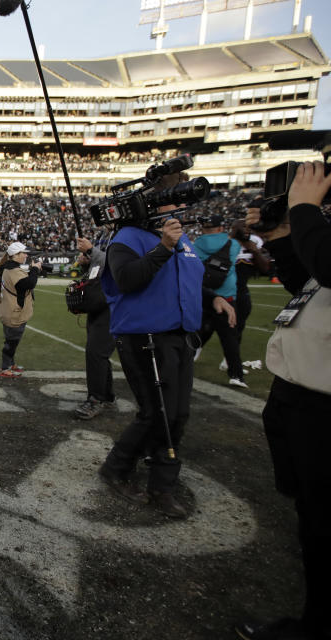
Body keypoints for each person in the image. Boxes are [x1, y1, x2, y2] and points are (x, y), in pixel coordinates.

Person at [98, 171, 236, 519]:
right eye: (173, 199)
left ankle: (158, 480)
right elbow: (128, 278)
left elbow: (185, 281)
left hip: (178, 338)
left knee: (177, 414)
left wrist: (212, 300)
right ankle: (124, 470)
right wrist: (164, 247)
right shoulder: (128, 237)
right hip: (144, 337)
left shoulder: (182, 240)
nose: (180, 206)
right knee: (156, 412)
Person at [235, 162, 331, 640]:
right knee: (310, 515)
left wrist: (306, 209)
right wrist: (278, 235)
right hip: (300, 396)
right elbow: (309, 286)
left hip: (322, 406)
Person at [193, 214, 245, 387]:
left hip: (203, 295)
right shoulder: (233, 244)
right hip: (227, 296)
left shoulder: (198, 244)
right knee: (230, 338)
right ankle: (236, 375)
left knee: (195, 332)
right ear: (221, 228)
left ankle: (186, 360)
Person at [73, 230, 116, 419]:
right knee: (98, 353)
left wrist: (91, 250)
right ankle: (106, 395)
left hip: (112, 304)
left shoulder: (126, 237)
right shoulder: (111, 235)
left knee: (96, 352)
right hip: (99, 303)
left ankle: (96, 398)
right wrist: (88, 262)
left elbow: (116, 264)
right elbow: (98, 273)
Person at [229, 210, 271, 364]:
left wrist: (254, 250)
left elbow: (265, 268)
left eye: (248, 227)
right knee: (208, 326)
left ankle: (230, 362)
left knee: (238, 325)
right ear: (234, 228)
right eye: (242, 227)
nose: (246, 230)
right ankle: (196, 352)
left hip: (241, 290)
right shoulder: (227, 242)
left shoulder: (255, 241)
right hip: (222, 291)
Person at [0, 241, 41, 378]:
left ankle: (10, 364)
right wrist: (35, 269)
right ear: (15, 255)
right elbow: (29, 283)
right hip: (14, 313)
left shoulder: (8, 267)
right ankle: (5, 368)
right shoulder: (12, 270)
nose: (26, 255)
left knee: (12, 340)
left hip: (10, 311)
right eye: (23, 253)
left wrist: (33, 270)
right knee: (11, 342)